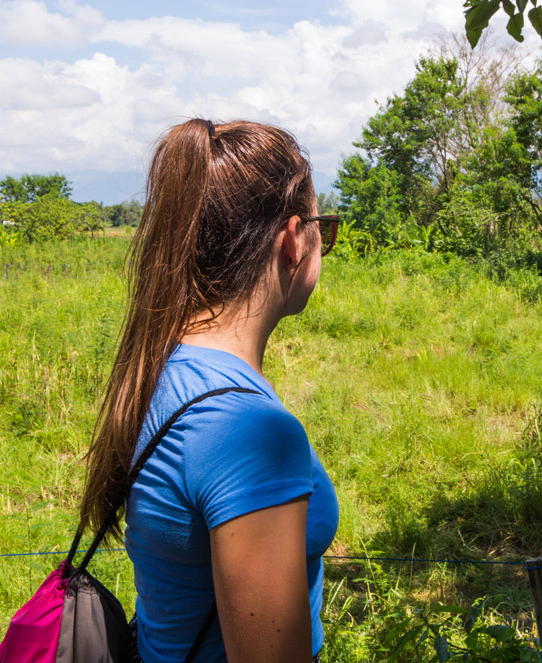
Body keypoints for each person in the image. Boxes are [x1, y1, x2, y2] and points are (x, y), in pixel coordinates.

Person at [79, 119, 339, 663]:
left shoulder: (163, 369)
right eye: (325, 229)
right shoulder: (248, 432)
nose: (324, 243)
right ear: (293, 240)